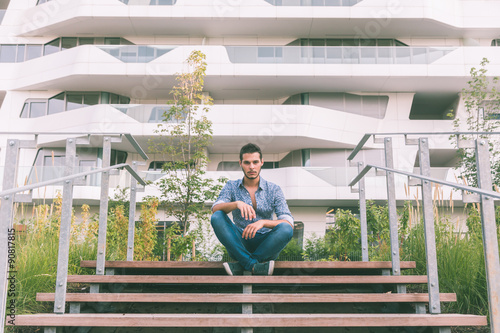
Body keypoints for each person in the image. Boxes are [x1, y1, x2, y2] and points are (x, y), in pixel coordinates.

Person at [211, 143, 294, 276]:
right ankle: (254, 265)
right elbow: (215, 208)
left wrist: (263, 222)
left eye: (255, 162)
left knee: (286, 228)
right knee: (217, 216)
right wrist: (236, 204)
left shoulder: (274, 189)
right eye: (247, 163)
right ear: (240, 163)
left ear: (261, 162)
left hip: (267, 244)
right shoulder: (231, 186)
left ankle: (245, 264)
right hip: (240, 243)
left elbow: (288, 221)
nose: (251, 167)